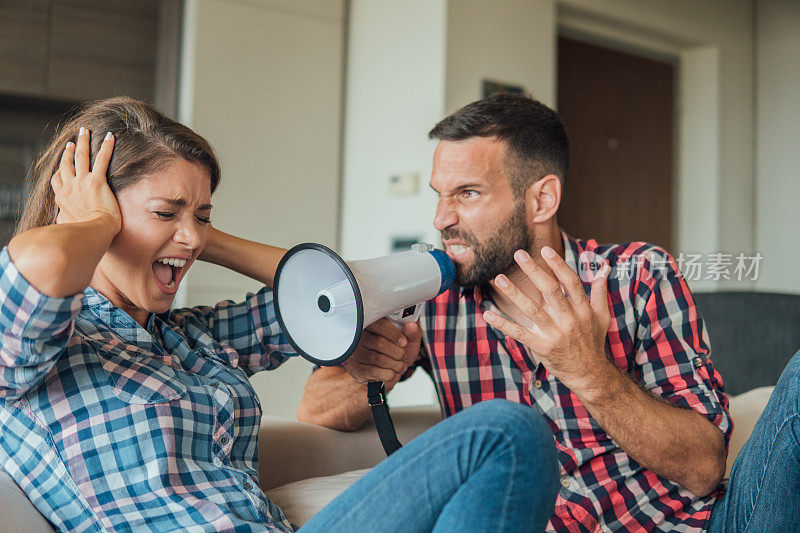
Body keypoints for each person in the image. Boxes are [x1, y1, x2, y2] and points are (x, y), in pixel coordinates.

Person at [0, 97, 560, 532]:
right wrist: (91, 225)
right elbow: (41, 261)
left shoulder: (189, 339)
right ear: (89, 210)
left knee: (509, 439)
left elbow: (330, 291)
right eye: (166, 211)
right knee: (504, 431)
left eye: (204, 215)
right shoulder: (44, 348)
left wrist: (199, 236)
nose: (192, 236)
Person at [298, 93, 800, 531]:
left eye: (467, 193)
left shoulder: (641, 276)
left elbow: (705, 467)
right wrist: (376, 370)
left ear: (542, 199)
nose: (441, 218)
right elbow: (315, 411)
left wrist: (589, 371)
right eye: (440, 196)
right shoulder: (433, 303)